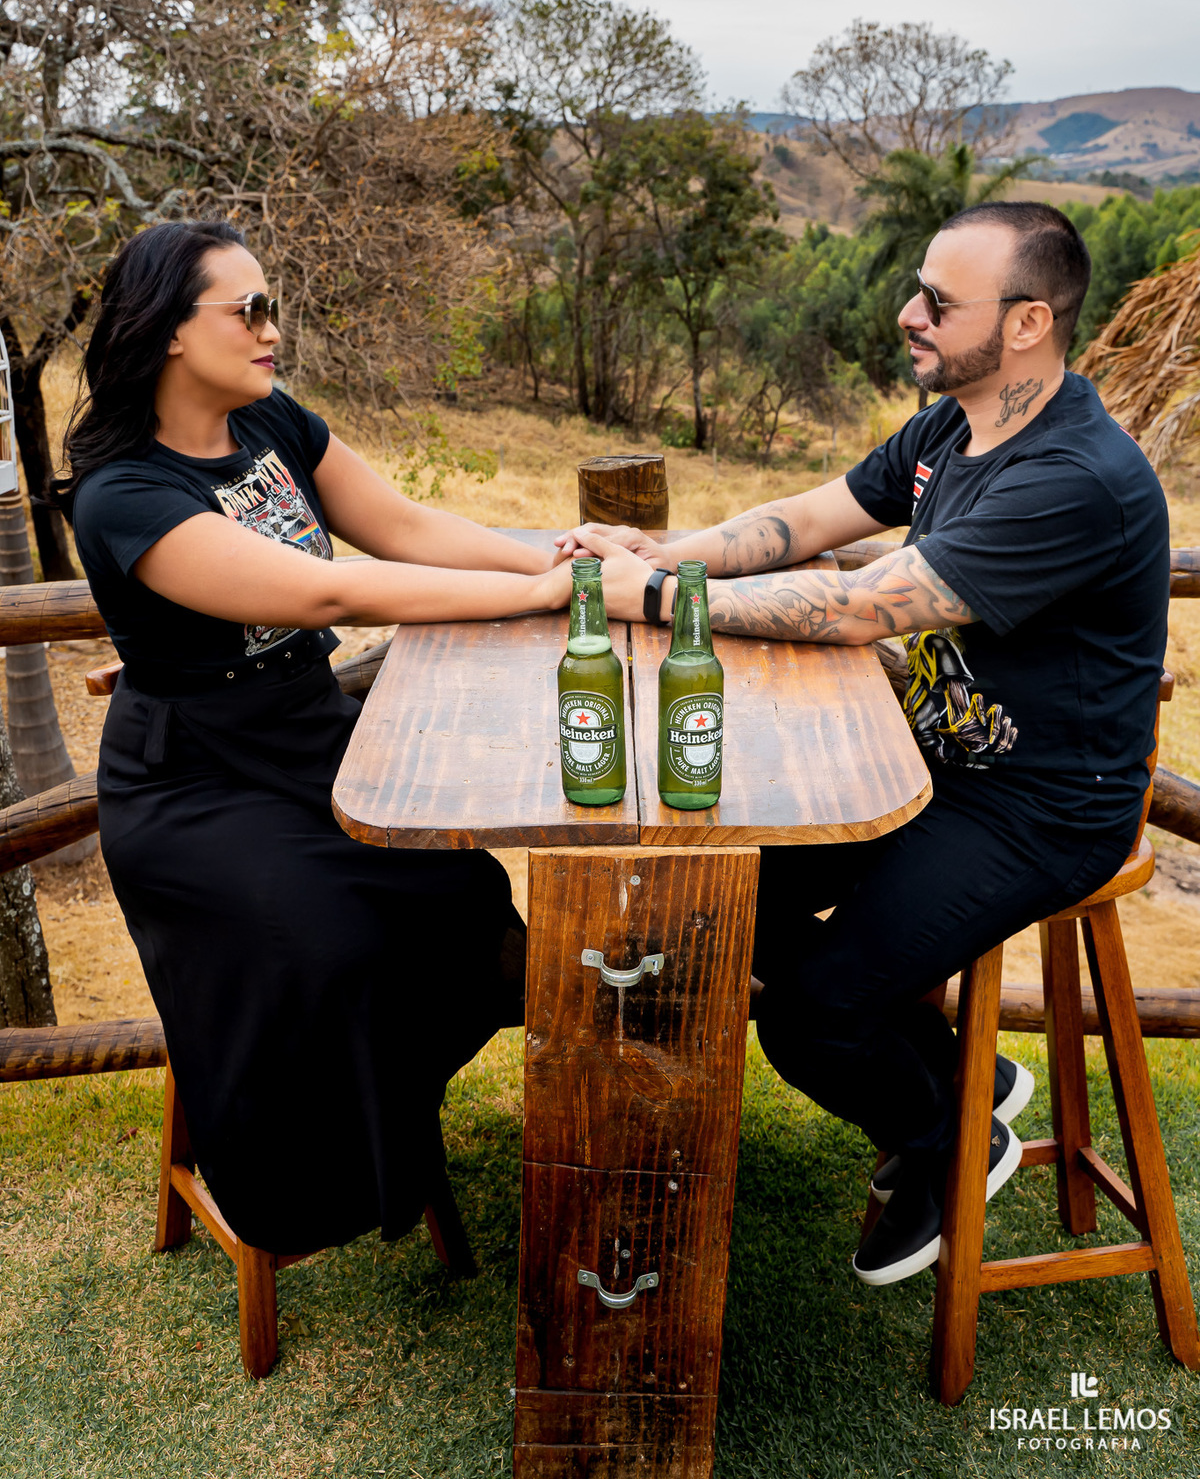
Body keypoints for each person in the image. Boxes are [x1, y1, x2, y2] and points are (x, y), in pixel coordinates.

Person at [559, 201, 1169, 1287]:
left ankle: (944, 1134)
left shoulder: (1072, 477)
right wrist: (665, 549)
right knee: (721, 895)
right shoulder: (958, 423)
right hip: (934, 768)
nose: (909, 314)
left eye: (939, 301)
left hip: (1043, 809)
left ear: (1028, 322)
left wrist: (652, 594)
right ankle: (950, 1086)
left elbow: (858, 608)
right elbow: (814, 517)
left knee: (814, 1013)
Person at [57, 220, 572, 1255]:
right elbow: (326, 586)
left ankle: (391, 1125)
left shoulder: (272, 422)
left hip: (307, 733)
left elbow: (406, 526)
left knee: (461, 898)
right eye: (246, 310)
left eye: (271, 304)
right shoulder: (125, 495)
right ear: (166, 331)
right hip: (196, 782)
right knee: (328, 947)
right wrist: (534, 593)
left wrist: (542, 557)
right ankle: (306, 1187)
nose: (271, 329)